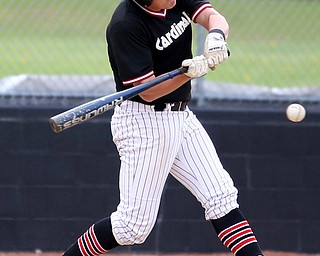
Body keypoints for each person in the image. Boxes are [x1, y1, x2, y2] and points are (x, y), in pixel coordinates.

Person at [62, 0, 264, 255]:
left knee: (221, 197)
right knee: (131, 227)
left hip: (181, 116)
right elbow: (148, 91)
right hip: (144, 123)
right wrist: (188, 73)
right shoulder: (126, 25)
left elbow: (213, 17)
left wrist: (215, 36)